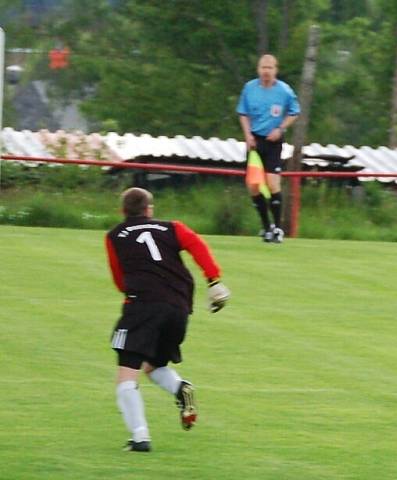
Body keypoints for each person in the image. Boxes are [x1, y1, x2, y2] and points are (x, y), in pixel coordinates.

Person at [106, 188, 231, 452]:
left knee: (127, 376)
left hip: (143, 306)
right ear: (149, 209)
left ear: (122, 212)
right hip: (179, 308)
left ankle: (140, 437)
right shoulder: (172, 227)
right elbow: (196, 244)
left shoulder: (114, 235)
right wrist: (214, 280)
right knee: (153, 366)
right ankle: (180, 388)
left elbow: (119, 278)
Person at [237, 53, 301, 243]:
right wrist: (248, 135)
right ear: (258, 69)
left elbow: (294, 112)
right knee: (253, 186)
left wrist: (281, 128)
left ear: (275, 70)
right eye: (263, 68)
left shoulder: (284, 91)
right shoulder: (249, 88)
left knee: (273, 183)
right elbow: (243, 113)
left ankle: (278, 228)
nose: (266, 71)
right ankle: (266, 227)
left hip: (273, 141)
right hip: (255, 142)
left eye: (270, 68)